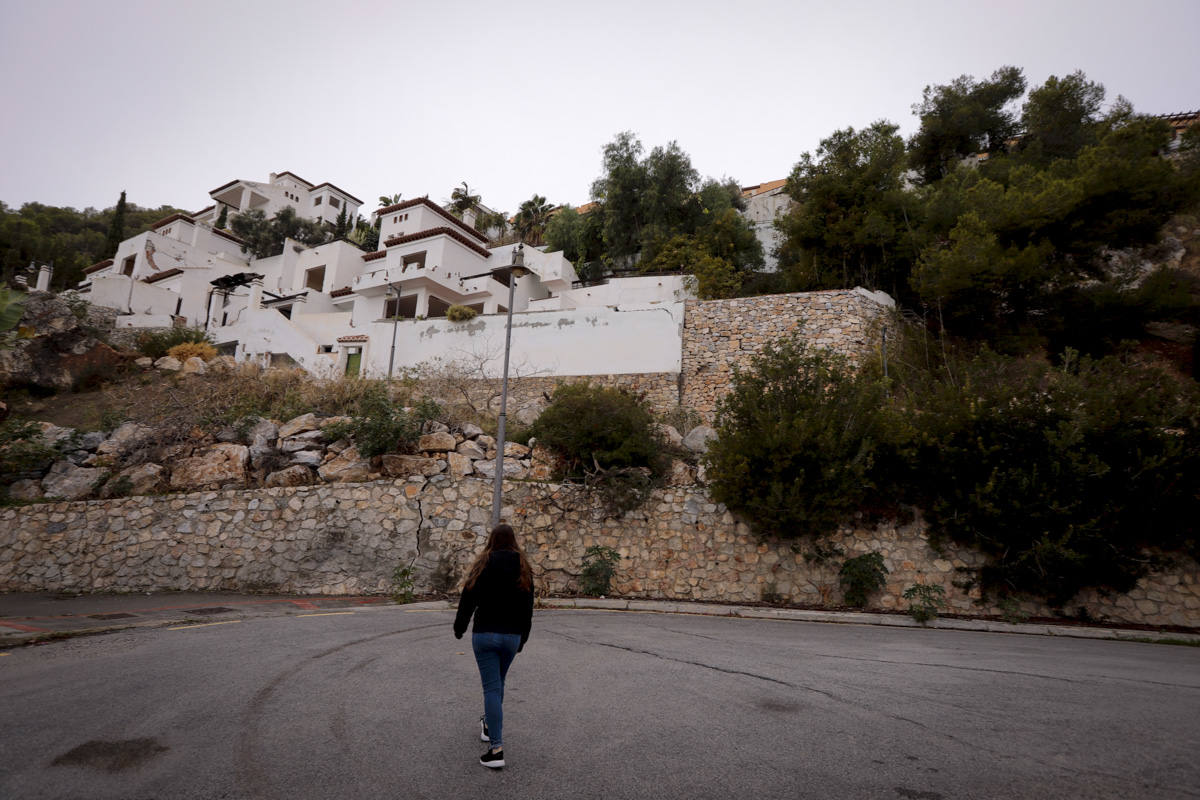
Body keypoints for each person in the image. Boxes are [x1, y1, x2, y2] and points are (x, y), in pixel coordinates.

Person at [453, 523, 534, 769]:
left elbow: (468, 598)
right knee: (498, 683)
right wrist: (523, 638)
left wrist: (460, 627)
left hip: (485, 634)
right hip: (511, 636)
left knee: (491, 688)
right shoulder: (523, 566)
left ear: (492, 540)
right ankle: (489, 725)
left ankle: (496, 749)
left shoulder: (483, 562)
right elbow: (527, 608)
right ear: (513, 540)